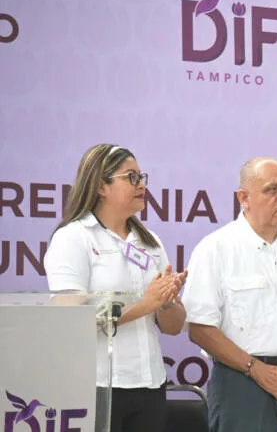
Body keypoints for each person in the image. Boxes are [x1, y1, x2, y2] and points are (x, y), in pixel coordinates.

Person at [181, 157, 277, 432]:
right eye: (272, 189)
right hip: (244, 386)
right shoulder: (216, 248)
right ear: (244, 198)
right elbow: (200, 328)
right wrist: (256, 369)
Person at [44, 144, 187, 432]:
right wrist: (145, 305)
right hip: (96, 385)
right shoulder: (74, 238)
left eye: (141, 177)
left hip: (150, 382)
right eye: (131, 177)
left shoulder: (150, 242)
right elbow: (70, 322)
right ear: (101, 186)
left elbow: (173, 327)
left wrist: (167, 301)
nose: (141, 184)